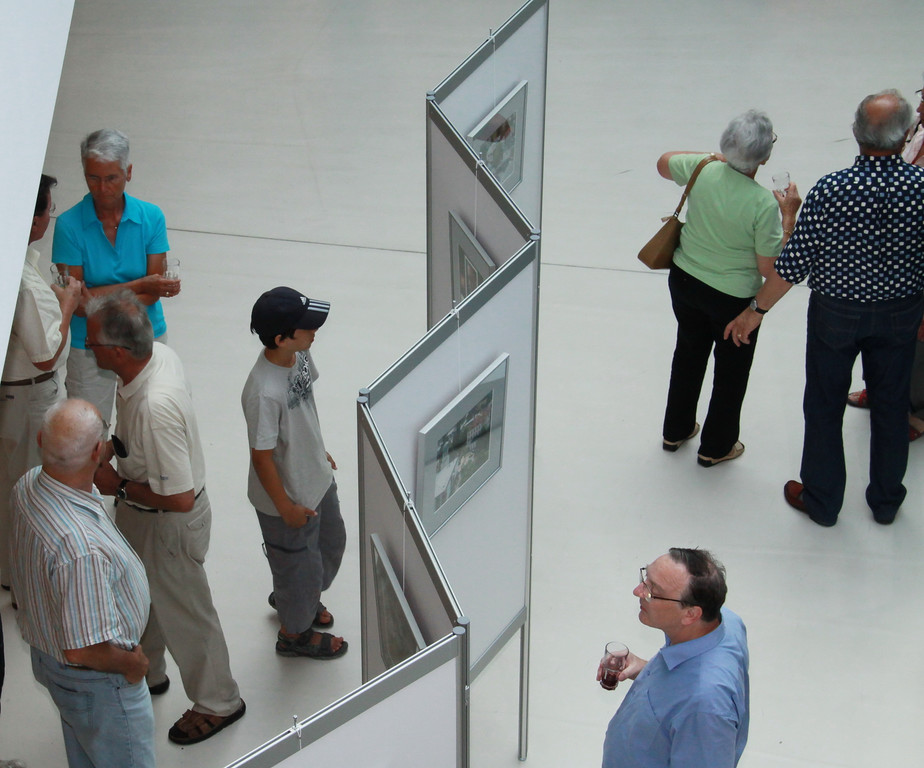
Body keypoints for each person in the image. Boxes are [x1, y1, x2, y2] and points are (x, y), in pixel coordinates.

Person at [726, 90, 924, 526]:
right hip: (900, 313)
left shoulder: (832, 190)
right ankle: (886, 500)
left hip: (836, 314)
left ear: (855, 133)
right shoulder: (920, 188)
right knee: (892, 406)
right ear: (906, 134)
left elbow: (793, 264)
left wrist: (755, 311)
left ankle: (822, 498)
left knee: (824, 403)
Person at [86, 291, 246, 744]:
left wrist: (115, 485)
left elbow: (178, 498)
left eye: (93, 342)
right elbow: (139, 439)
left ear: (119, 352)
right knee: (140, 594)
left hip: (169, 522)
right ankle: (149, 670)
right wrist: (113, 448)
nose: (87, 347)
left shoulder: (156, 408)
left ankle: (219, 701)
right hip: (144, 513)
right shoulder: (156, 357)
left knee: (187, 613)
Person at [10, 399, 154, 768]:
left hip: (53, 661)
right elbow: (84, 650)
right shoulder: (80, 550)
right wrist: (132, 665)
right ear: (96, 453)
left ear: (41, 440)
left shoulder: (27, 486)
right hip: (100, 683)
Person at [658, 110, 801, 467]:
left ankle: (675, 429)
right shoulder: (762, 203)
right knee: (731, 373)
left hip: (685, 280)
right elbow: (769, 269)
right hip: (732, 300)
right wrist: (788, 219)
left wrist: (714, 156)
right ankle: (716, 446)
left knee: (688, 353)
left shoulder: (703, 168)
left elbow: (663, 163)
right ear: (764, 157)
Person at [241, 287, 348, 659]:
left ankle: (297, 598)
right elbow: (261, 458)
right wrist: (285, 507)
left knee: (330, 544)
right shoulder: (262, 391)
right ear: (281, 338)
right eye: (307, 327)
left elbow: (303, 408)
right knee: (298, 564)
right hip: (285, 498)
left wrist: (316, 448)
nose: (314, 331)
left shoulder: (299, 355)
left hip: (316, 477)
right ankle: (294, 633)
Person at [52, 128, 179, 427]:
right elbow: (78, 303)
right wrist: (141, 284)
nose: (102, 188)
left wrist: (97, 296)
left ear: (128, 172)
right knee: (89, 429)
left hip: (145, 339)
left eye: (111, 178)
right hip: (90, 346)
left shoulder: (151, 217)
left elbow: (153, 293)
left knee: (147, 426)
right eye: (93, 177)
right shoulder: (68, 225)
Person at [1, 175, 82, 589]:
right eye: (49, 210)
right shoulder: (23, 280)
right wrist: (66, 305)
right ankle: (22, 582)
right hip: (28, 396)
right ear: (34, 220)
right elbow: (45, 354)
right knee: (29, 490)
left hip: (15, 394)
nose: (50, 218)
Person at [598, 548, 749, 768]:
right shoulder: (725, 622)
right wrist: (645, 669)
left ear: (690, 614)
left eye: (653, 591)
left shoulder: (706, 710)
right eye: (645, 577)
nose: (638, 591)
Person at [846, 79, 924, 441]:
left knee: (915, 343)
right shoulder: (915, 130)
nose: (919, 107)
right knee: (881, 334)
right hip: (889, 249)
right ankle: (878, 390)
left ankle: (915, 411)